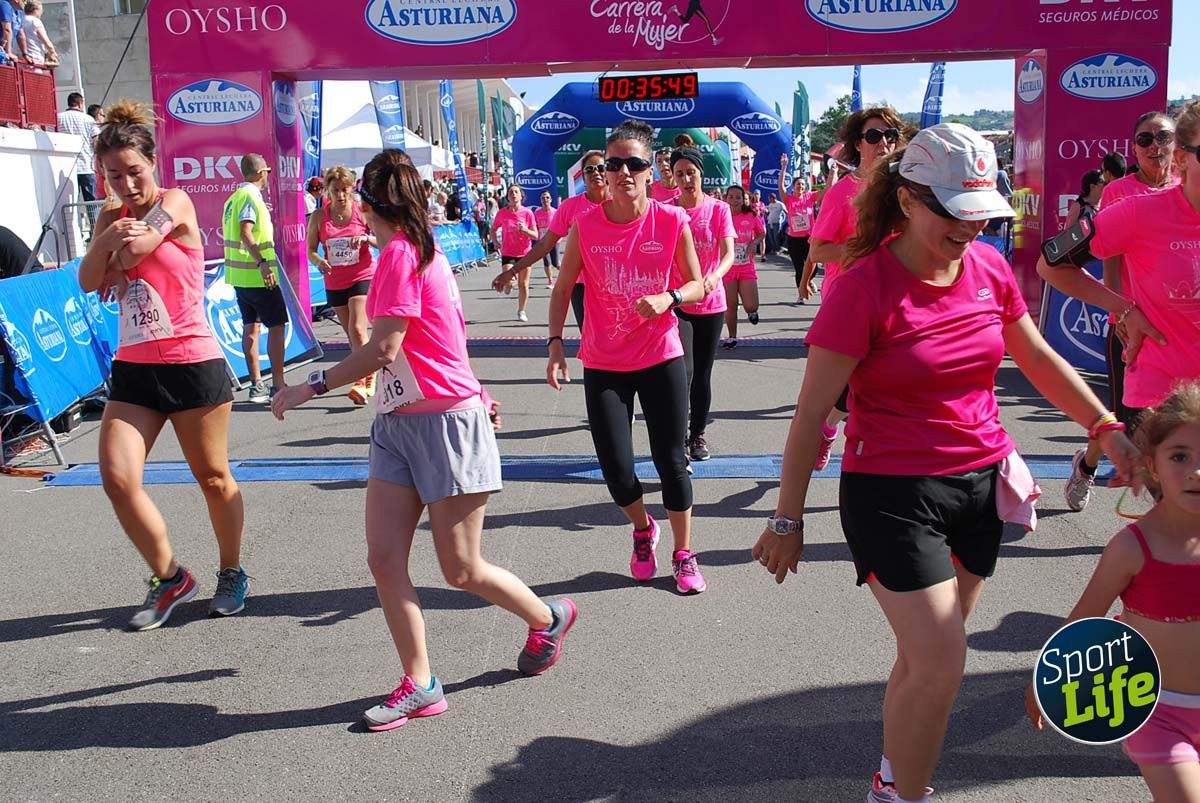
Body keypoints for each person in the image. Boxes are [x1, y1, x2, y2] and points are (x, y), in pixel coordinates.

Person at [752, 123, 1141, 803]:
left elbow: (1038, 358)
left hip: (980, 485)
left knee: (925, 660)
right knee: (942, 660)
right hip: (891, 492)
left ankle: (890, 777)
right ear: (908, 201)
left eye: (980, 213)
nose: (970, 229)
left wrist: (1103, 426)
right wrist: (787, 519)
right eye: (954, 214)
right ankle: (906, 794)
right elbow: (812, 412)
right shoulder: (863, 287)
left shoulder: (988, 266)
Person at [272, 149, 576, 730]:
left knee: (460, 569)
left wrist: (308, 386)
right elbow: (442, 341)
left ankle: (547, 617)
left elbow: (385, 348)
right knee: (385, 557)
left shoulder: (405, 256)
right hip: (396, 422)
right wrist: (480, 389)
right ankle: (421, 682)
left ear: (366, 207)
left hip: (443, 424)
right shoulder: (407, 253)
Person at [77, 100, 248, 631]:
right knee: (117, 477)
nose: (126, 184)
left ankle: (232, 571)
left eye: (134, 171)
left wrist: (114, 250)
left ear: (153, 163)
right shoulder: (110, 214)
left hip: (191, 361)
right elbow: (87, 279)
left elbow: (134, 252)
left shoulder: (176, 200)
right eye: (113, 175)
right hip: (135, 367)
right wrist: (107, 237)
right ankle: (169, 575)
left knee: (214, 478)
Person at [546, 119, 708, 595]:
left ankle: (683, 552)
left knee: (671, 461)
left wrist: (670, 298)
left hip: (660, 355)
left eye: (632, 163)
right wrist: (555, 345)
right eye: (611, 164)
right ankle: (643, 529)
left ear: (649, 171)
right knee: (617, 471)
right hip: (604, 362)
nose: (620, 172)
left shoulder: (671, 220)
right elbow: (561, 291)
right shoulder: (586, 226)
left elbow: (699, 284)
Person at [1026, 383, 1200, 803]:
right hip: (1156, 712)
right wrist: (1044, 681)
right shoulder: (1132, 548)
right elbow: (1085, 619)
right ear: (1151, 465)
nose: (1196, 471)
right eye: (1181, 456)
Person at [1040, 100, 1200, 503]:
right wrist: (1123, 308)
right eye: (1145, 139)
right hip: (1161, 394)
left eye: (1161, 137)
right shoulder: (1134, 207)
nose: (1154, 146)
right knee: (1183, 522)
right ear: (1183, 159)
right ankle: (1089, 466)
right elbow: (1051, 264)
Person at [805, 106, 905, 471]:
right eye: (873, 136)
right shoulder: (841, 193)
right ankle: (829, 429)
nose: (883, 144)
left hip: (896, 306)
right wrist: (865, 252)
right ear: (857, 145)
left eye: (889, 136)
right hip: (847, 305)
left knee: (883, 390)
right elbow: (817, 250)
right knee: (846, 390)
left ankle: (877, 462)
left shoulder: (907, 191)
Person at [494, 150, 607, 329]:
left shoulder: (620, 203)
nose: (596, 173)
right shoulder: (570, 207)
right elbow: (545, 243)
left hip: (615, 282)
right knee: (589, 337)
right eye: (589, 169)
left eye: (601, 168)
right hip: (581, 284)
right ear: (582, 177)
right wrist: (513, 271)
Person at [670, 147, 734, 463]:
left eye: (690, 172)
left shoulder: (719, 209)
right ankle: (679, 437)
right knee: (684, 371)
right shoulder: (667, 210)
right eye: (679, 173)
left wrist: (714, 277)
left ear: (700, 173)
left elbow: (729, 253)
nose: (686, 178)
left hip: (711, 302)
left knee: (702, 375)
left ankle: (697, 434)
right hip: (679, 302)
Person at [222, 153, 289, 403]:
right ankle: (279, 383)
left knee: (251, 327)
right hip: (258, 276)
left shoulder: (234, 198)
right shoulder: (250, 196)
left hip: (239, 277)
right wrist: (261, 263)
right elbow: (245, 232)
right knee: (276, 326)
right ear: (262, 173)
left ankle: (256, 383)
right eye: (268, 172)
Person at [307, 166, 377, 405]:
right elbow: (310, 250)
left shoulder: (362, 211)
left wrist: (367, 238)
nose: (340, 195)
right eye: (335, 190)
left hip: (362, 274)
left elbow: (383, 239)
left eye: (345, 190)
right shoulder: (319, 216)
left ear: (352, 189)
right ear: (327, 190)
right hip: (334, 279)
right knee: (351, 333)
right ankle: (370, 371)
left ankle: (362, 379)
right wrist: (319, 261)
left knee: (358, 328)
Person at [721, 184, 765, 350]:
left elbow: (761, 233)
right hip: (727, 268)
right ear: (726, 199)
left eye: (738, 197)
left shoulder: (751, 215)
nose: (734, 200)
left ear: (743, 199)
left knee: (751, 305)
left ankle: (752, 312)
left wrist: (754, 242)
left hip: (746, 267)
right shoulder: (720, 215)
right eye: (730, 197)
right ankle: (732, 337)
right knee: (731, 305)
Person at [490, 185, 539, 322]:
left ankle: (521, 310)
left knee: (523, 284)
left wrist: (525, 231)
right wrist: (495, 242)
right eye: (511, 192)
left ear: (521, 196)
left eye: (516, 192)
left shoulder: (528, 213)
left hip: (525, 254)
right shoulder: (502, 213)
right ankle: (508, 285)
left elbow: (535, 235)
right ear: (508, 197)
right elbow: (493, 229)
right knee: (510, 281)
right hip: (508, 252)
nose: (513, 194)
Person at [778, 155, 821, 304]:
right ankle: (801, 294)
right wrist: (783, 167)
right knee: (799, 267)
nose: (800, 186)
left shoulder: (810, 197)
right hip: (794, 239)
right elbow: (781, 187)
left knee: (814, 267)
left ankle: (808, 280)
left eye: (803, 185)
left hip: (810, 238)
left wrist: (832, 173)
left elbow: (827, 190)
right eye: (798, 184)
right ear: (793, 186)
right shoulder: (788, 199)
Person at [57, 93, 99, 207]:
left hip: (66, 169)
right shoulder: (88, 119)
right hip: (86, 166)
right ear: (80, 104)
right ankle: (95, 224)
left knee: (71, 203)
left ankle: (73, 224)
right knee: (92, 203)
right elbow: (96, 142)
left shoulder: (58, 118)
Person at [534, 191, 558, 288]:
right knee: (546, 261)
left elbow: (560, 225)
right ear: (540, 200)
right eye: (543, 198)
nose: (545, 200)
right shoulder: (537, 212)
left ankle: (569, 277)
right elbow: (534, 225)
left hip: (554, 240)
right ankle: (550, 281)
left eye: (547, 198)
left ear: (551, 200)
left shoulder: (555, 212)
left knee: (555, 263)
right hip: (543, 241)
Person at [21, 1, 55, 67]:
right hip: (35, 58)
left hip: (22, 58)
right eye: (41, 10)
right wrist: (53, 53)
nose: (41, 13)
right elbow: (46, 41)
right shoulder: (35, 21)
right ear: (36, 10)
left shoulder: (20, 19)